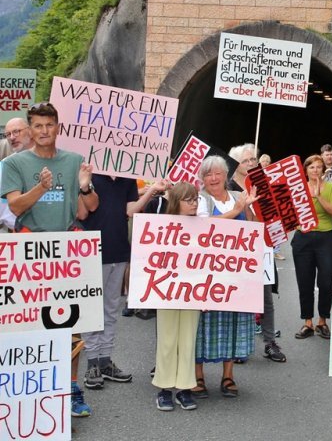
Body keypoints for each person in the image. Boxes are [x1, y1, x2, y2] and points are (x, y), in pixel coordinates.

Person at [1, 101, 99, 418]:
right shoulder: (14, 164)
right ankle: (35, 391)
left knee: (71, 324)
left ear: (58, 127)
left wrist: (86, 187)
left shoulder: (73, 161)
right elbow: (15, 208)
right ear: (30, 129)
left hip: (67, 249)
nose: (44, 131)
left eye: (50, 125)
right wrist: (41, 188)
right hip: (29, 250)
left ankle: (71, 390)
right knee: (30, 325)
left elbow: (88, 209)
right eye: (38, 126)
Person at [81, 175, 168, 390]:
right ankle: (92, 362)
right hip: (91, 250)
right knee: (92, 311)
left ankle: (104, 360)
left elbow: (130, 210)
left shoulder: (127, 180)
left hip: (118, 249)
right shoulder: (90, 176)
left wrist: (151, 190)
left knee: (110, 309)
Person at [194, 156, 258, 397]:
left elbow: (251, 228)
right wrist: (237, 211)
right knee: (202, 324)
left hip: (234, 273)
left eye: (217, 173)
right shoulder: (201, 199)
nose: (213, 178)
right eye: (208, 174)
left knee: (232, 322)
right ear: (202, 178)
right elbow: (203, 225)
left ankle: (228, 375)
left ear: (225, 176)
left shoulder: (236, 197)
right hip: (206, 273)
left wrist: (248, 208)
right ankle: (198, 376)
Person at [152, 182, 202, 411]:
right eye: (188, 200)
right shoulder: (161, 224)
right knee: (167, 339)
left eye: (196, 199)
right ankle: (164, 389)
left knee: (188, 339)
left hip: (193, 291)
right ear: (176, 202)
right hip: (167, 291)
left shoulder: (203, 226)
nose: (194, 203)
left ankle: (184, 388)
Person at [292, 154, 332, 339]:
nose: (315, 170)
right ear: (305, 170)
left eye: (319, 167)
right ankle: (307, 322)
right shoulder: (298, 189)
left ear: (323, 169)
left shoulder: (330, 188)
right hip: (303, 237)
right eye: (312, 167)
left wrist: (318, 197)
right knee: (305, 281)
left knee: (326, 281)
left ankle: (322, 321)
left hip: (326, 237)